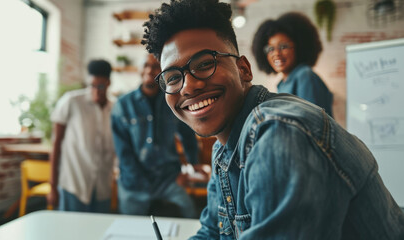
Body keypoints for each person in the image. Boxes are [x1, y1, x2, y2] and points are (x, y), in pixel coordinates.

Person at [141, 0, 404, 239]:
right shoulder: (224, 147)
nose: (188, 86)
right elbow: (212, 232)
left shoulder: (279, 134)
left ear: (244, 69)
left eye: (204, 63)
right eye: (173, 77)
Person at [111, 53, 199, 218]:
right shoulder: (122, 105)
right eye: (145, 65)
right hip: (134, 183)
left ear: (163, 72)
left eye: (155, 66)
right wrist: (144, 184)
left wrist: (192, 165)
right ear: (139, 69)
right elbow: (124, 153)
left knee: (190, 215)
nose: (149, 70)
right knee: (131, 231)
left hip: (168, 180)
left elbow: (188, 133)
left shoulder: (173, 101)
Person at [47, 59, 116, 213]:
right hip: (74, 184)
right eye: (92, 85)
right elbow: (56, 144)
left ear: (108, 83)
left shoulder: (115, 108)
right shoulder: (71, 102)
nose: (96, 91)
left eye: (101, 86)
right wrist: (52, 186)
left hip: (102, 187)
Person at [252, 12, 334, 117]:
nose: (276, 53)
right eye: (270, 49)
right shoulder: (282, 83)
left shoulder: (305, 76)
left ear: (299, 46)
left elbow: (312, 122)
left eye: (283, 47)